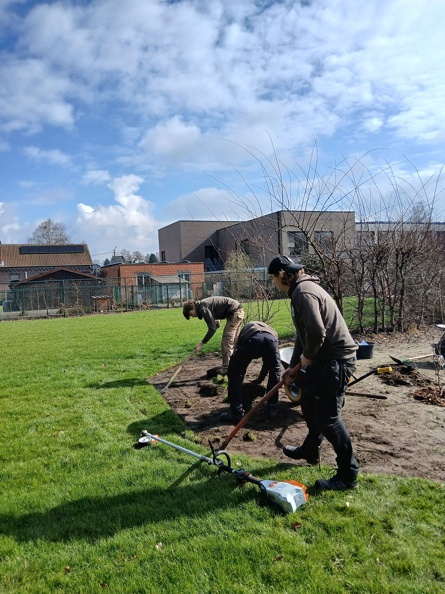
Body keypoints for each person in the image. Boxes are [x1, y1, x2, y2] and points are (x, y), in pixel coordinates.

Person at [268, 255, 359, 491]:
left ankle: (348, 475)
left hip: (334, 361)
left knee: (329, 418)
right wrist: (294, 366)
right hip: (324, 360)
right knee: (308, 403)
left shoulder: (303, 293)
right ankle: (311, 450)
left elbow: (317, 333)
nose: (273, 284)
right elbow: (303, 334)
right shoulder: (301, 290)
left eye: (272, 279)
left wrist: (306, 358)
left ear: (281, 275)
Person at [221, 321, 282, 423]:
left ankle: (236, 412)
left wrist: (240, 374)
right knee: (275, 371)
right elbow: (267, 364)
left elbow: (237, 361)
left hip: (252, 339)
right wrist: (260, 379)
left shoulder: (246, 330)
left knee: (233, 371)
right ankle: (272, 407)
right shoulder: (270, 330)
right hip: (272, 341)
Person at [183, 297, 244, 367]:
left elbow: (212, 329)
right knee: (233, 341)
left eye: (191, 314)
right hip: (237, 310)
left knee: (227, 341)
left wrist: (201, 344)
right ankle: (236, 365)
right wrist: (217, 321)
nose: (193, 316)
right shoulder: (203, 305)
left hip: (235, 312)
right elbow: (217, 307)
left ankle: (227, 368)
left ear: (193, 307)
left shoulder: (202, 308)